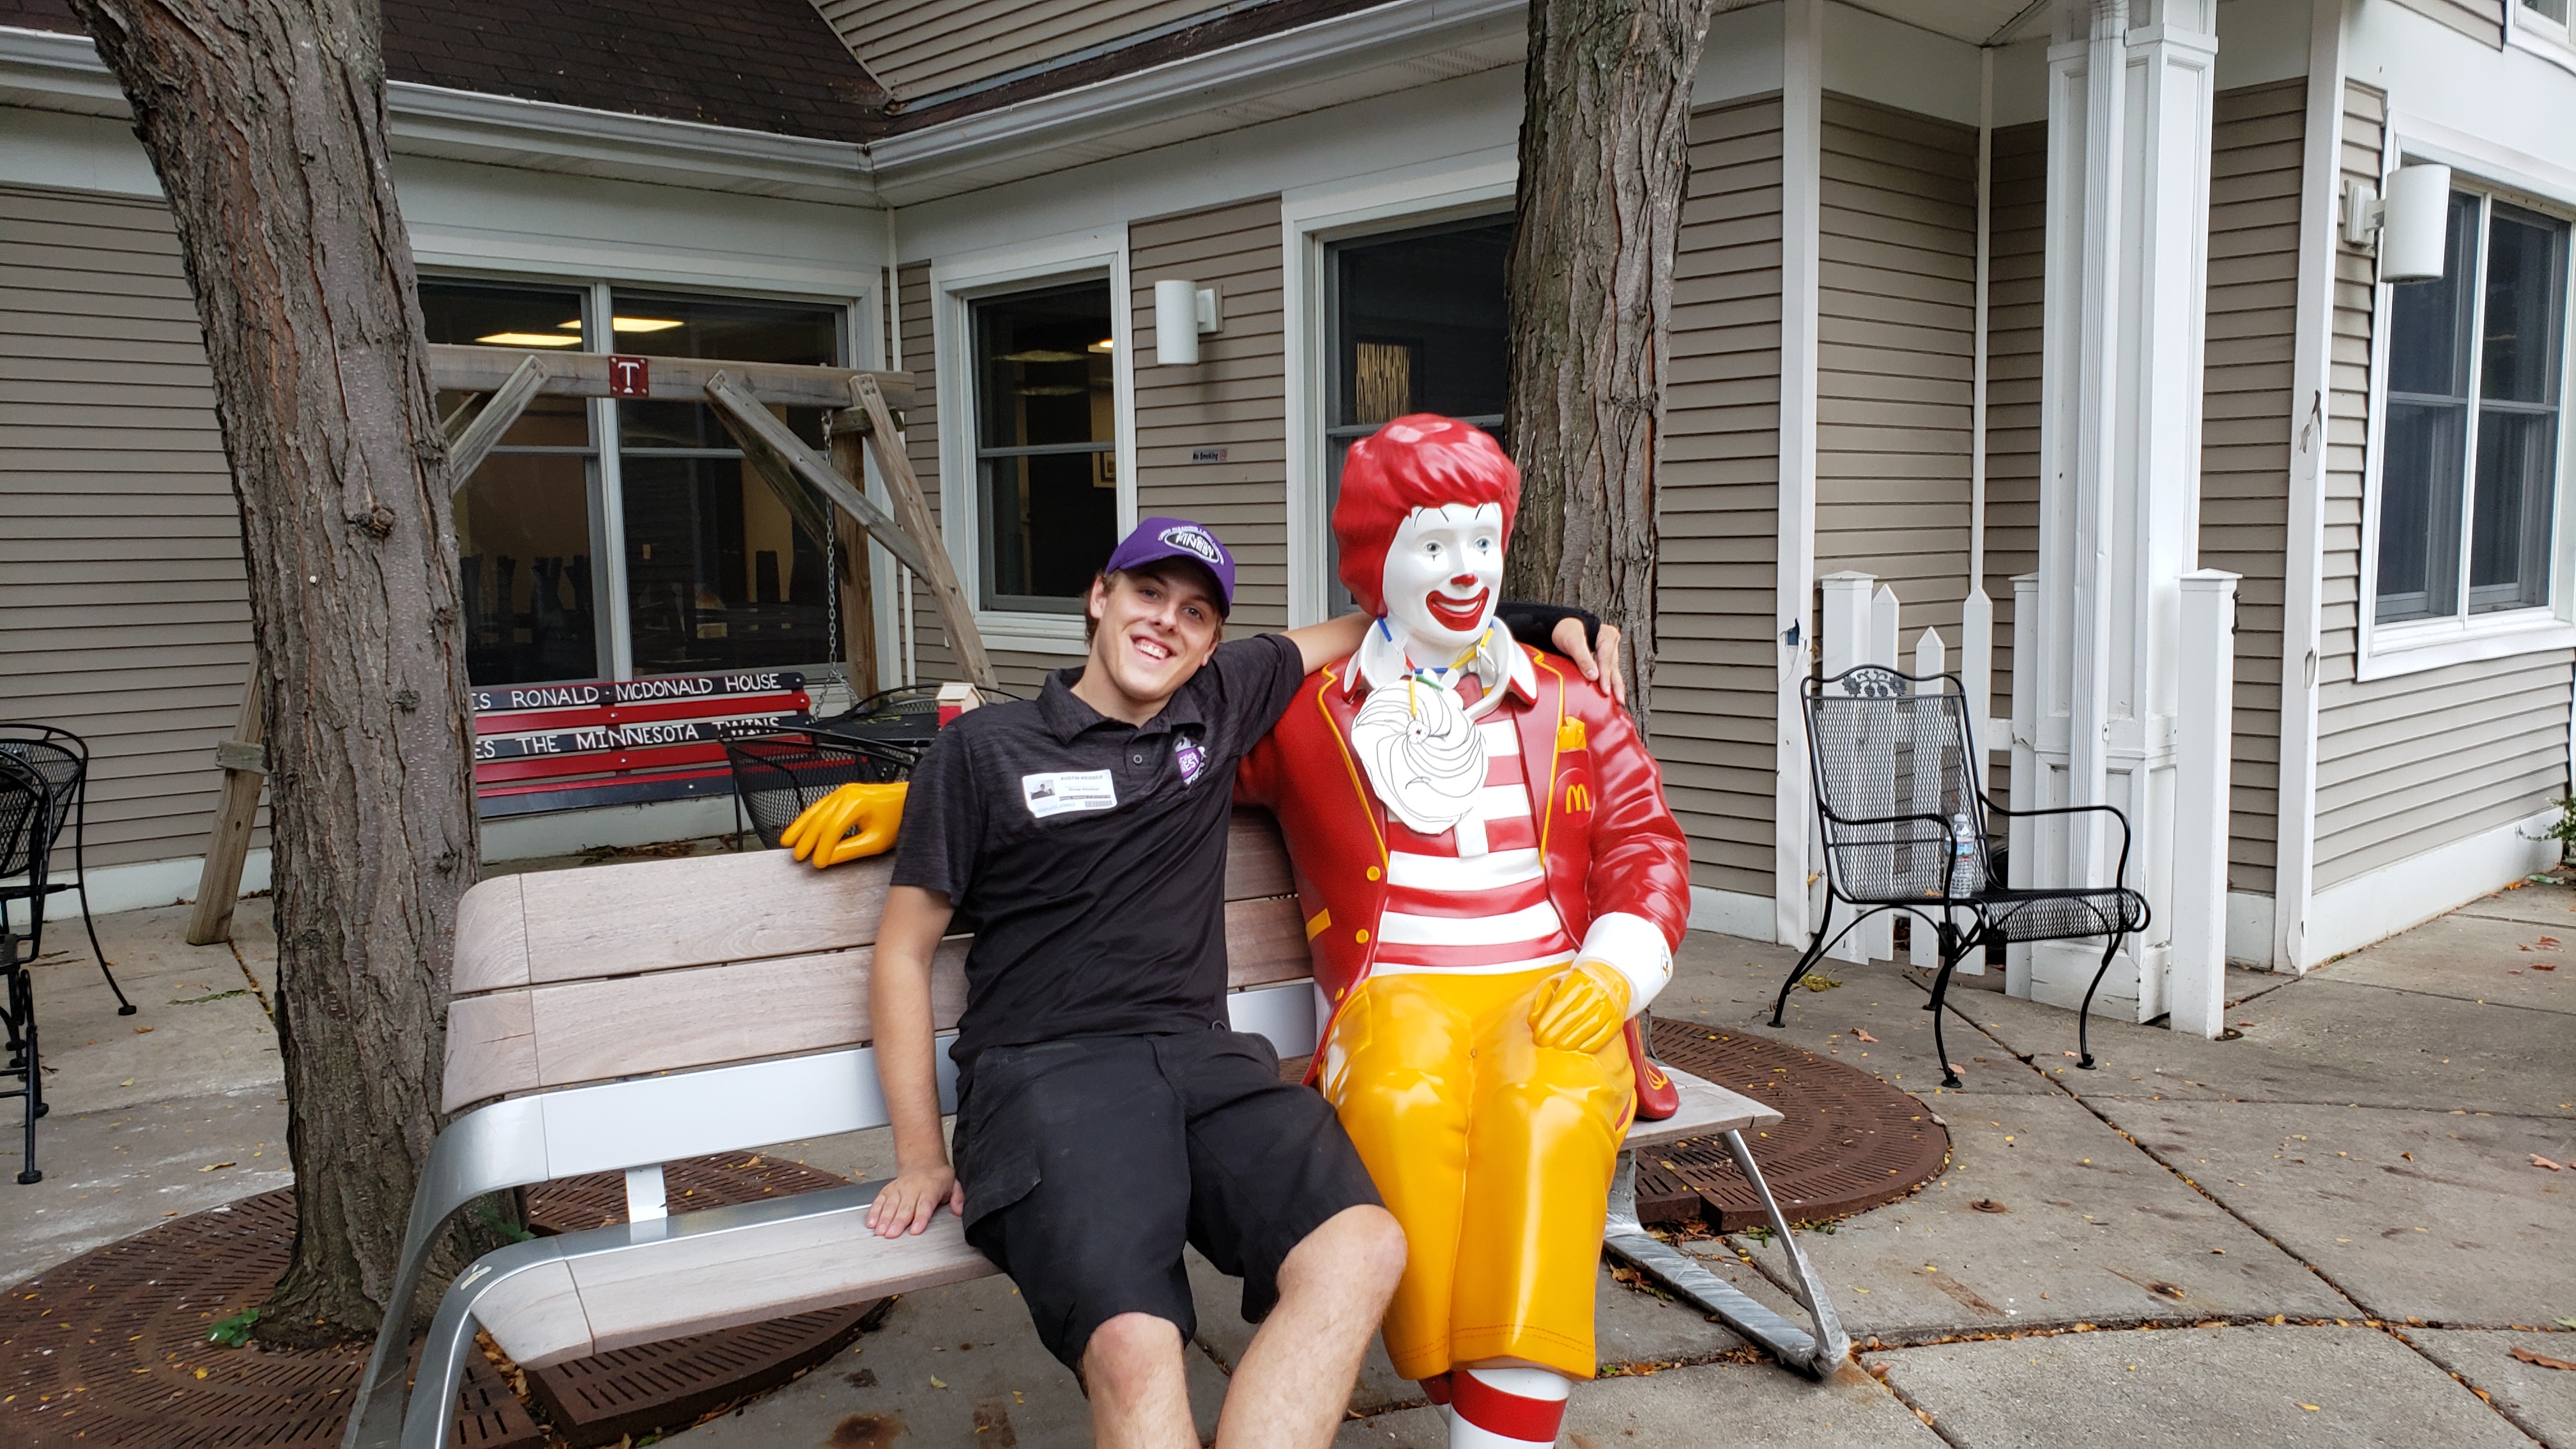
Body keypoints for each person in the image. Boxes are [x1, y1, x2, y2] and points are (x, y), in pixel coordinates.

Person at [843, 517, 1620, 1448]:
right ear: (1100, 597)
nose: (1165, 622)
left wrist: (1545, 620)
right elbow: (903, 953)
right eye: (1147, 594)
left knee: (1361, 1247)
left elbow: (1387, 621)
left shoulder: (1217, 703)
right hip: (1048, 1072)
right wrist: (922, 1156)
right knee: (1133, 1343)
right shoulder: (982, 751)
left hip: (1206, 1065)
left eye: (1195, 612)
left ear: (1213, 642)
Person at [1235, 416, 1692, 1449]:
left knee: (1546, 1112)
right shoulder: (1309, 714)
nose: (1465, 569)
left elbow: (1646, 842)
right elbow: (1164, 743)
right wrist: (969, 790)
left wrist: (1615, 970)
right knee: (1397, 1105)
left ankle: (1488, 1433)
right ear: (1374, 559)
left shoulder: (1569, 699)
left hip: (1550, 979)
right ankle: (1501, 1420)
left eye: (1483, 540)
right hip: (1393, 991)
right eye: (1433, 543)